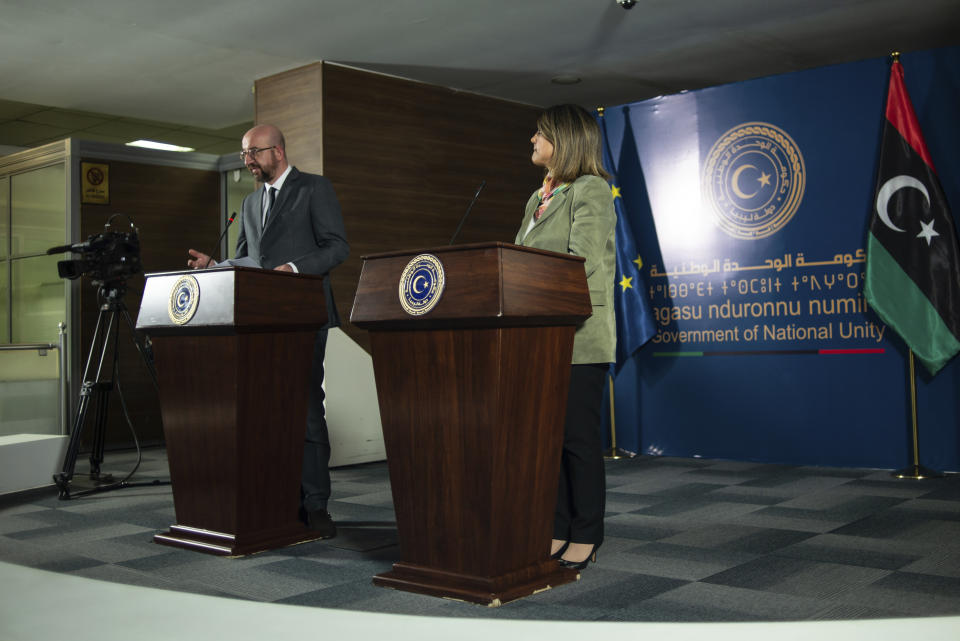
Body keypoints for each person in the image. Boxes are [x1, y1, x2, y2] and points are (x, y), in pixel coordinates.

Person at [187, 124, 349, 539]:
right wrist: (216, 267)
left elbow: (336, 247)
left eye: (253, 153)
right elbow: (248, 259)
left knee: (308, 411)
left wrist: (293, 270)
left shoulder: (315, 188)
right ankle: (279, 499)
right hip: (262, 322)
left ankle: (316, 505)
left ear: (277, 151)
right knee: (268, 413)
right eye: (243, 154)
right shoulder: (249, 202)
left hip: (304, 314)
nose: (247, 161)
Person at [513, 104, 616, 570]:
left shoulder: (591, 189)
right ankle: (556, 526)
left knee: (576, 439)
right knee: (546, 441)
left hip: (578, 337)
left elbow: (582, 260)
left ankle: (587, 533)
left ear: (564, 140)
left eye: (540, 134)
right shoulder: (536, 200)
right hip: (538, 339)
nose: (532, 140)